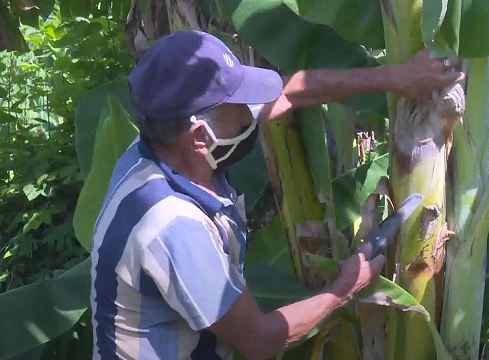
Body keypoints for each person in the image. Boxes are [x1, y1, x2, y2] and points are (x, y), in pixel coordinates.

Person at [90, 29, 463, 360]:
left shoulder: (154, 150)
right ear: (201, 136)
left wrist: (396, 78)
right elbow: (260, 341)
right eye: (240, 107)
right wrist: (346, 287)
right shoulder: (174, 228)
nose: (251, 113)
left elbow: (293, 91)